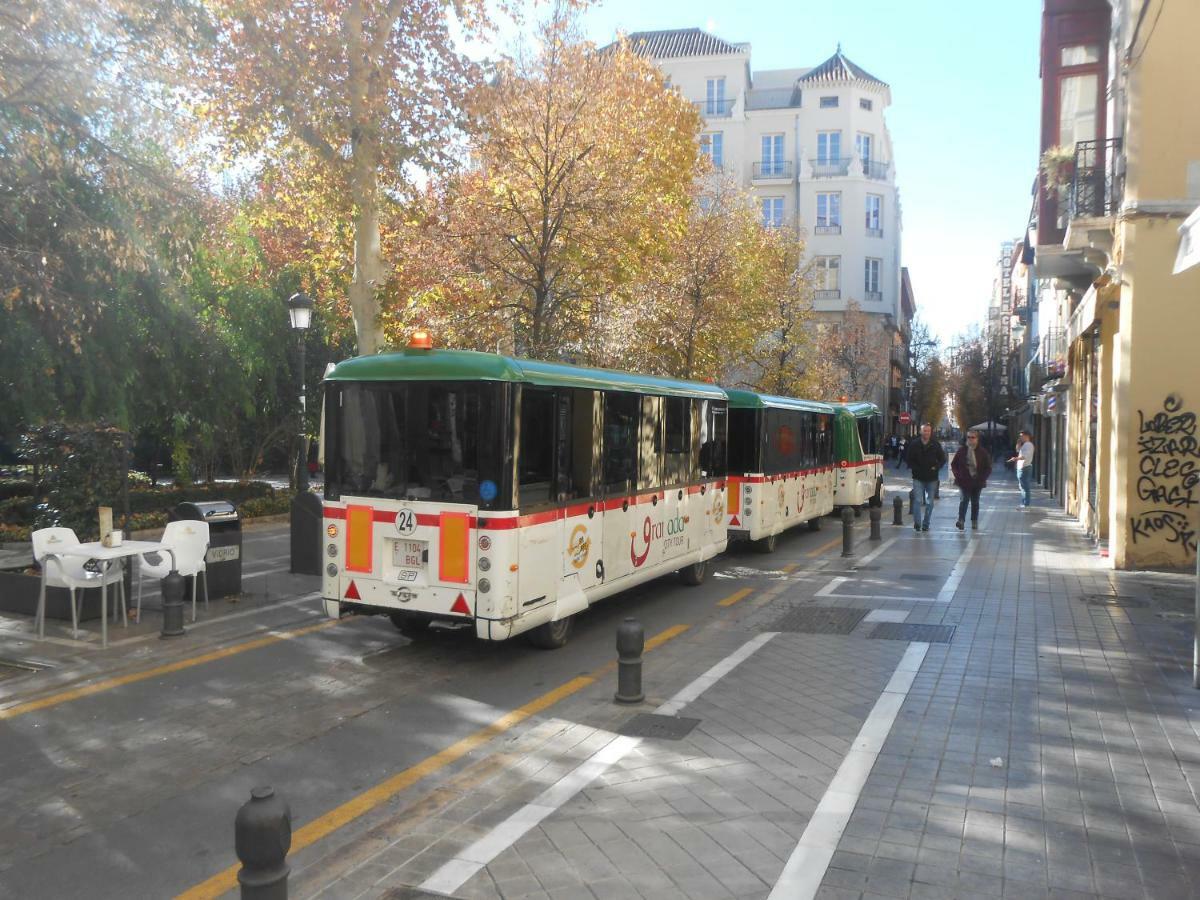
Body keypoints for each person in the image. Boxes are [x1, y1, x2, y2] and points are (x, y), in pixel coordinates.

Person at [906, 423, 947, 532]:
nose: (926, 433)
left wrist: (936, 467)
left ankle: (926, 523)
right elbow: (909, 459)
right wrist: (915, 468)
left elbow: (943, 459)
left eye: (928, 431)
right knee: (918, 500)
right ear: (921, 431)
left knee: (930, 502)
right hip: (918, 477)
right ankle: (917, 523)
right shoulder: (914, 444)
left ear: (931, 432)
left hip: (931, 478)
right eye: (924, 431)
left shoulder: (935, 444)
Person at [951, 430, 992, 530]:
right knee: (964, 500)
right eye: (968, 437)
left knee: (975, 502)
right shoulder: (961, 451)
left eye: (973, 437)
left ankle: (974, 521)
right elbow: (954, 464)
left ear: (977, 439)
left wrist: (982, 478)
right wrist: (958, 476)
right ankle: (961, 520)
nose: (970, 439)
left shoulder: (982, 452)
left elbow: (988, 467)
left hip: (977, 482)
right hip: (964, 481)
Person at [1008, 430, 1035, 508]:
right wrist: (1018, 444)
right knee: (1022, 486)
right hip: (1022, 467)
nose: (1020, 437)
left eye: (1021, 436)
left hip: (1024, 468)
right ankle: (1024, 502)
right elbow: (1018, 450)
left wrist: (1015, 458)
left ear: (1027, 436)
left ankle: (1025, 504)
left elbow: (1024, 456)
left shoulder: (1028, 445)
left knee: (1024, 486)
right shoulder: (1025, 444)